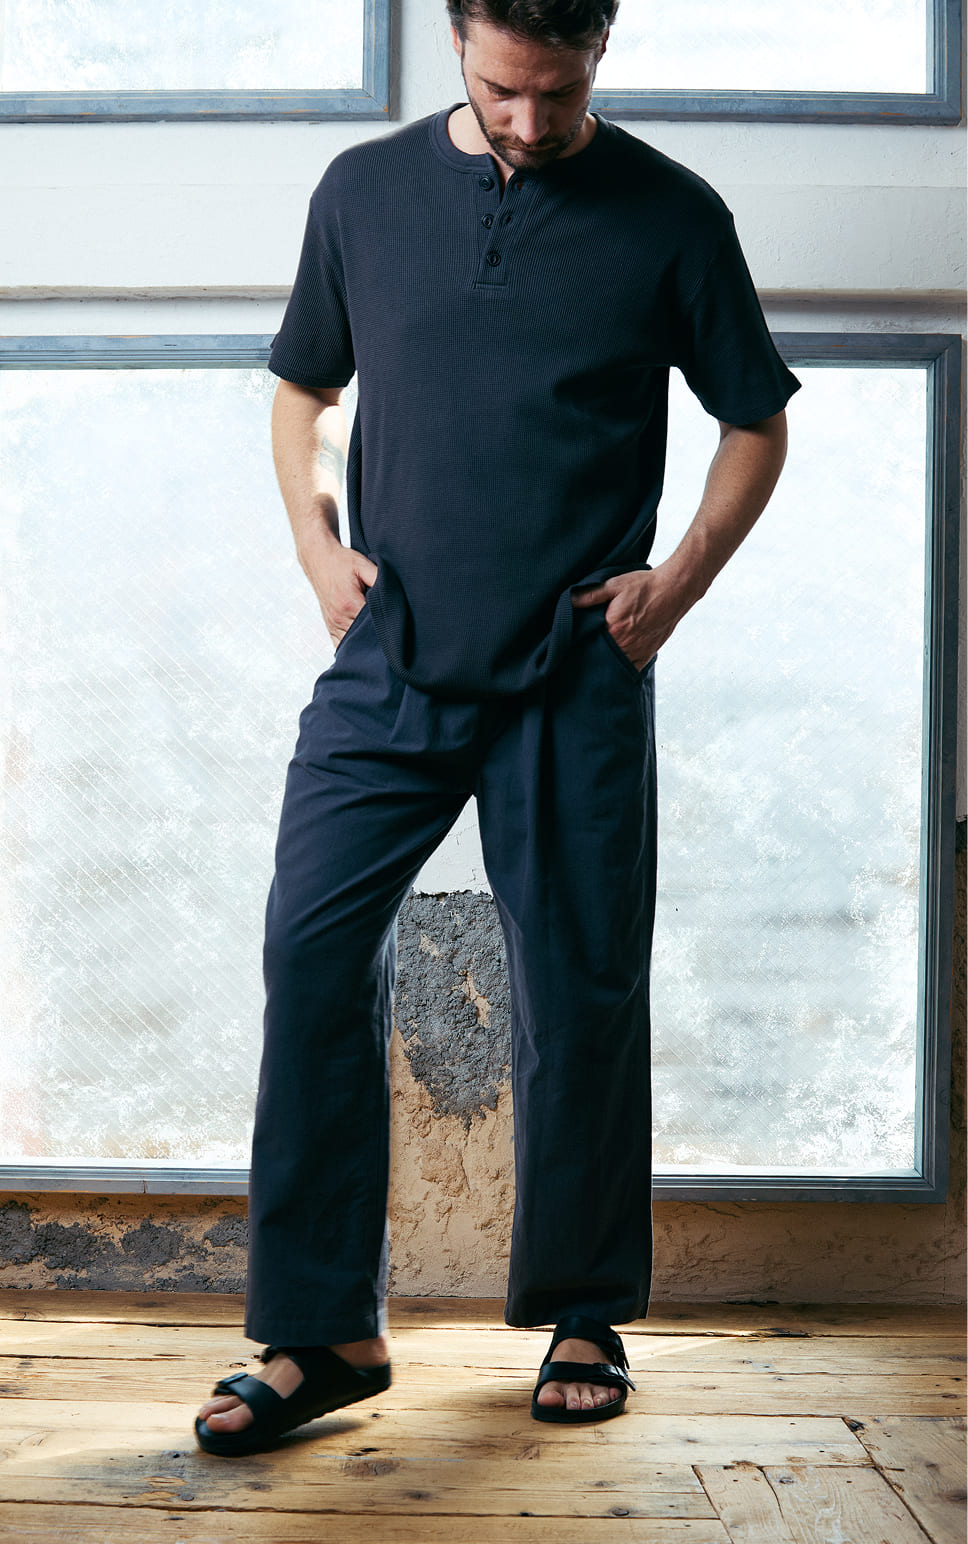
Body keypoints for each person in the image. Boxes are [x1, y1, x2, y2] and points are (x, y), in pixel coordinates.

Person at [194, 0, 799, 1456]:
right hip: (391, 654)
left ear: (602, 51)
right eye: (502, 89)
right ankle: (323, 1333)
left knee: (580, 987)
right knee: (309, 950)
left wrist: (674, 588)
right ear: (457, 42)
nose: (530, 123)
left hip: (574, 665)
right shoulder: (363, 192)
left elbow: (757, 419)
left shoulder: (673, 215)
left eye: (560, 92)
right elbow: (303, 383)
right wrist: (314, 543)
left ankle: (584, 1311)